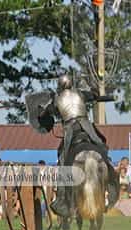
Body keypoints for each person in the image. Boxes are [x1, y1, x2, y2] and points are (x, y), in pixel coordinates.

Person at [30, 74, 119, 217]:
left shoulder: (56, 99)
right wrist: (98, 96)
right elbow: (94, 95)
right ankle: (112, 185)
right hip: (87, 127)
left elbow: (46, 113)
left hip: (71, 130)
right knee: (102, 147)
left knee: (63, 160)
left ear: (60, 86)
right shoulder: (80, 93)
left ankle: (62, 200)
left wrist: (41, 112)